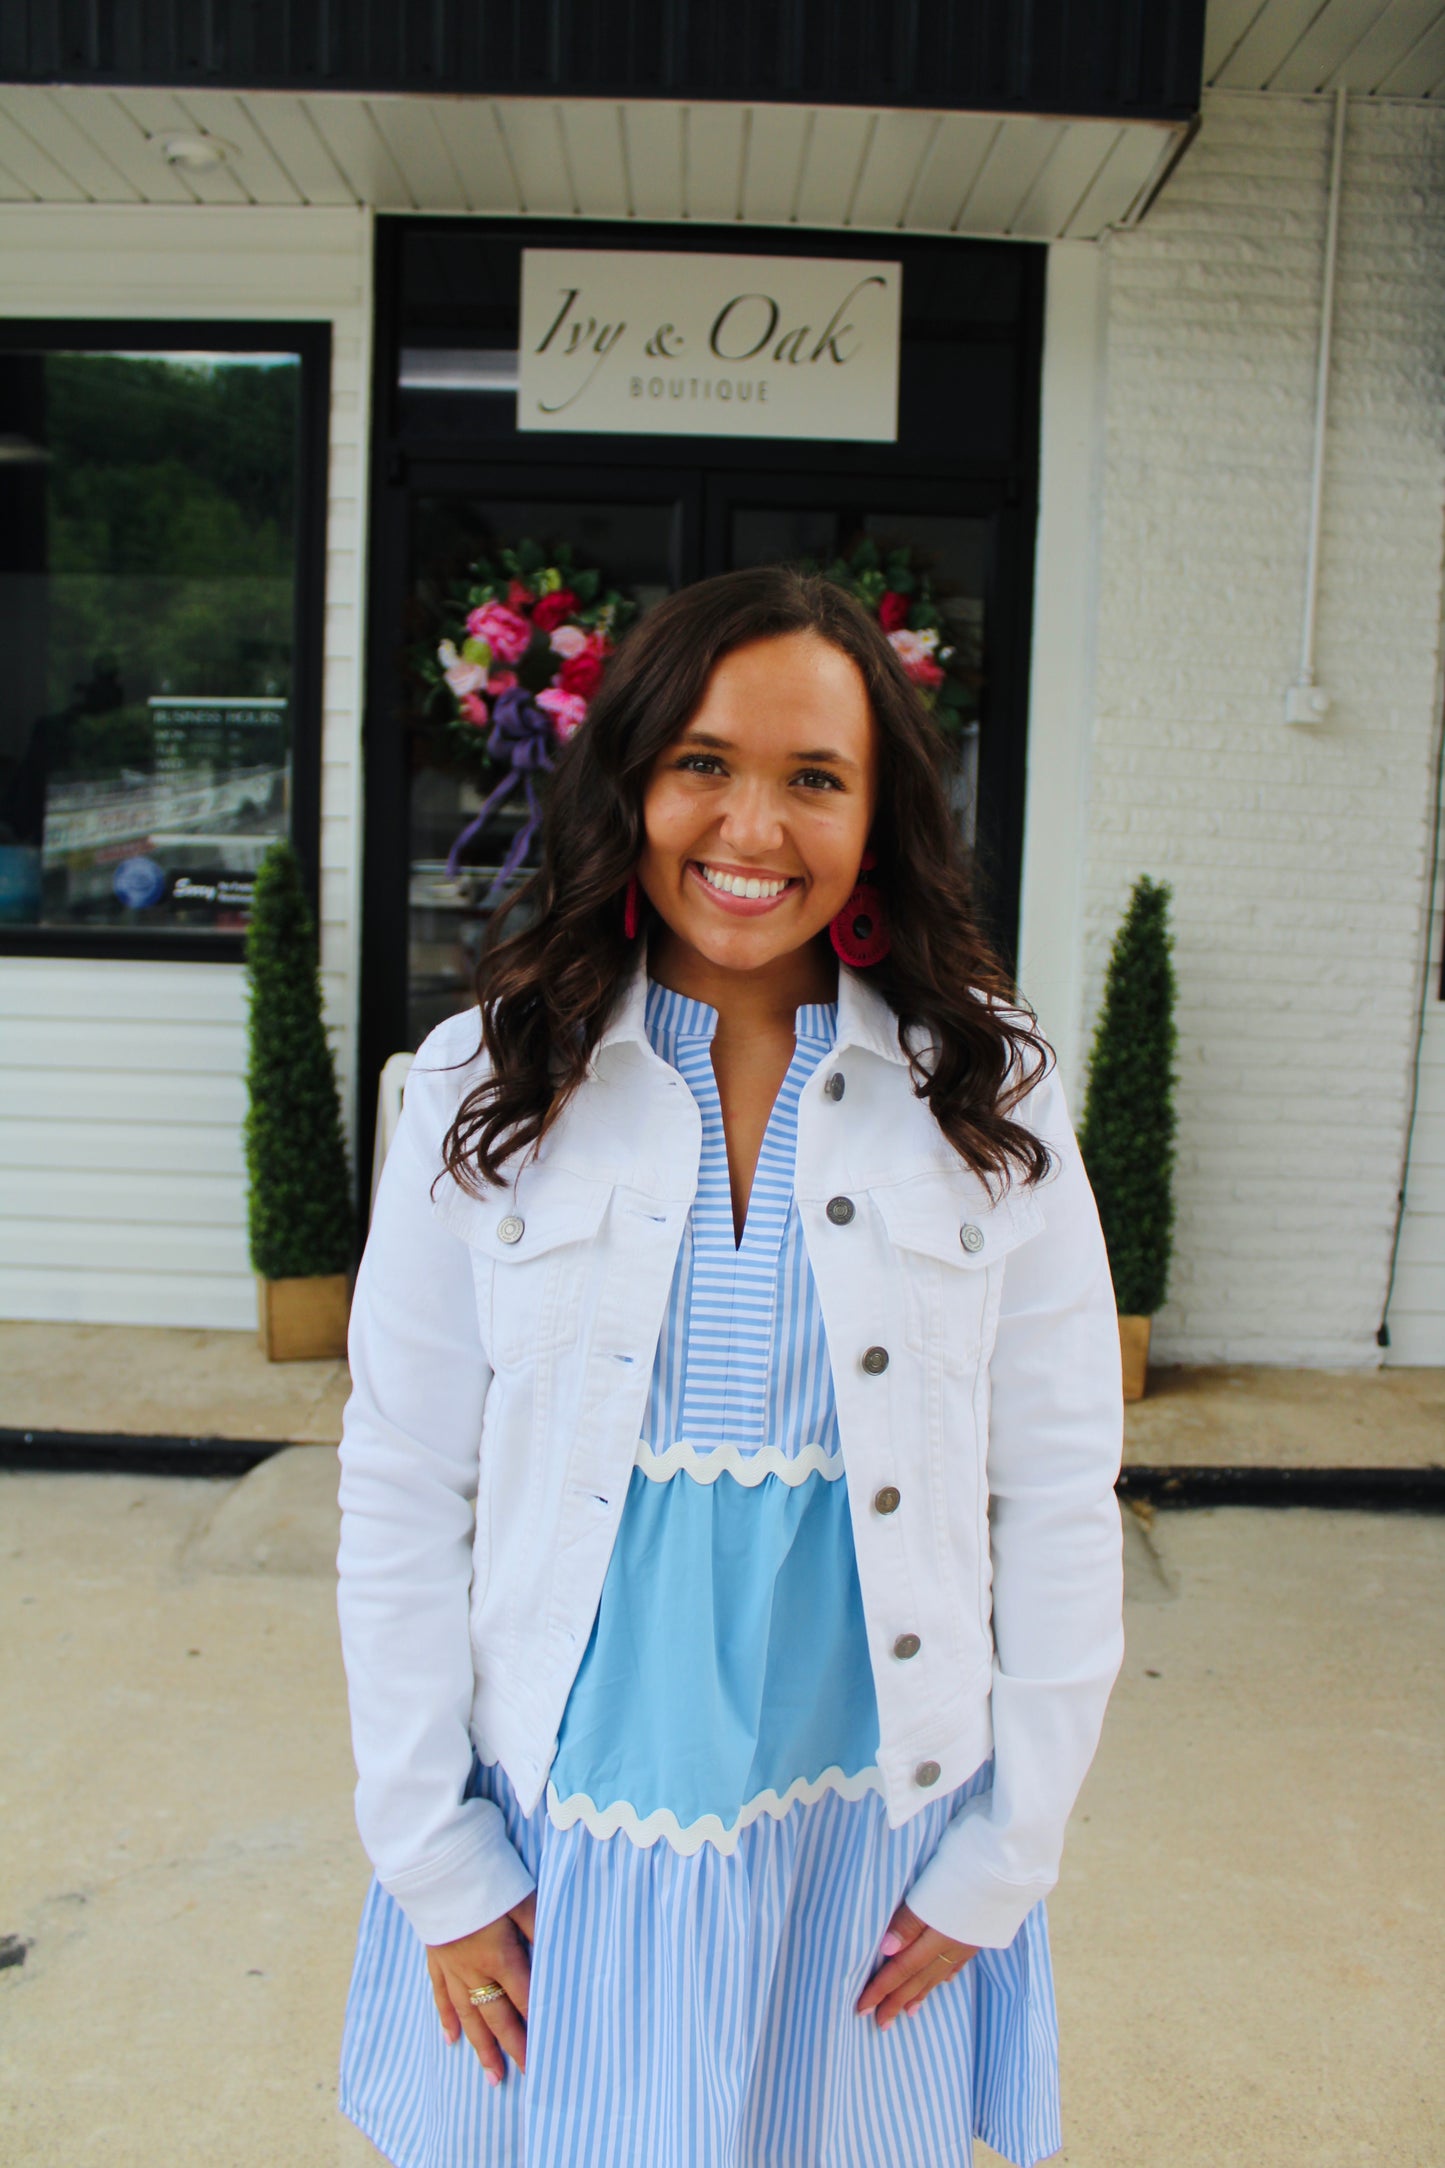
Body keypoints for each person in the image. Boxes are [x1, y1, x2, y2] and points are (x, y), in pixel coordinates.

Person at [335, 565, 1124, 2168]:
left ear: (878, 813)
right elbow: (403, 1486)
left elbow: (1056, 1492)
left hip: (876, 1837)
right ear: (626, 779)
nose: (751, 831)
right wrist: (437, 1857)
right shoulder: (478, 1088)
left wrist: (1006, 1852)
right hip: (565, 1840)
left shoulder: (988, 1096)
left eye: (812, 779)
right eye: (702, 763)